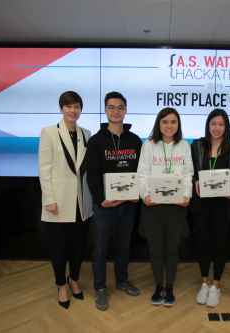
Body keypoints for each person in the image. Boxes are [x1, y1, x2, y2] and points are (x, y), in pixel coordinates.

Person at [86, 91, 142, 311]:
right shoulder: (96, 141)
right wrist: (100, 200)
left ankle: (121, 280)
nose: (116, 111)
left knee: (124, 246)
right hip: (105, 207)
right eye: (111, 107)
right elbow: (91, 174)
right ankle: (100, 287)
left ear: (125, 110)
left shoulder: (135, 140)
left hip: (128, 206)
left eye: (120, 107)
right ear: (106, 110)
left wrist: (137, 193)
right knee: (100, 250)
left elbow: (141, 171)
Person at [38, 91, 93, 310]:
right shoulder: (49, 132)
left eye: (77, 106)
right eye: (68, 106)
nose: (73, 111)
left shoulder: (87, 134)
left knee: (79, 246)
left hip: (82, 202)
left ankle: (74, 279)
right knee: (59, 247)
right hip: (58, 203)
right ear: (61, 108)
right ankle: (61, 284)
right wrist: (49, 199)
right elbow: (44, 169)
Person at [189, 109, 230, 307]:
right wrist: (194, 180)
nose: (217, 128)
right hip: (201, 205)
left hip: (223, 205)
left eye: (221, 124)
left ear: (226, 127)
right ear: (208, 125)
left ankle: (216, 286)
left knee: (220, 245)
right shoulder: (196, 146)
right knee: (203, 243)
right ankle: (204, 284)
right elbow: (189, 171)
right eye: (213, 123)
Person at [137, 107, 193, 307]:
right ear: (158, 124)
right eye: (165, 122)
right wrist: (145, 194)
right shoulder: (149, 145)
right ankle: (158, 285)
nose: (169, 126)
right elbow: (142, 175)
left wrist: (186, 194)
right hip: (153, 206)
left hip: (176, 207)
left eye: (173, 122)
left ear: (178, 125)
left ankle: (169, 286)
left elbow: (188, 174)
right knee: (156, 249)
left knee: (171, 249)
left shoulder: (185, 146)